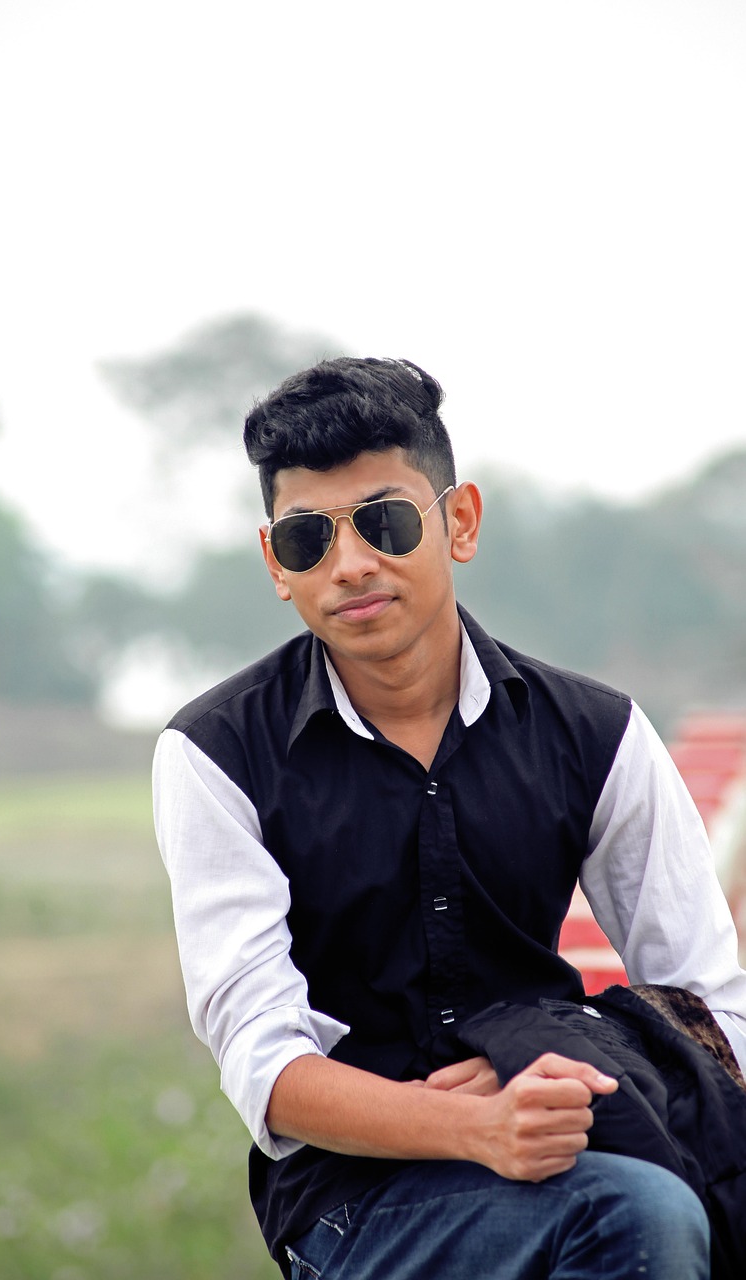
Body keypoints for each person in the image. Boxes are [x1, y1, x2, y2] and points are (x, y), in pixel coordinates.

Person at [153, 357, 746, 1279]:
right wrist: (474, 1126)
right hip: (352, 1202)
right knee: (638, 1214)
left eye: (384, 522)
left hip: (573, 1143)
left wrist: (554, 1054)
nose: (351, 565)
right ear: (275, 564)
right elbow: (264, 1069)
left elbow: (715, 1009)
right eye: (308, 539)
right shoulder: (214, 755)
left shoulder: (596, 733)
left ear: (458, 521)